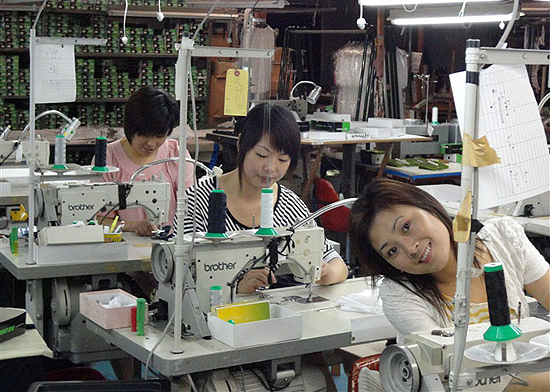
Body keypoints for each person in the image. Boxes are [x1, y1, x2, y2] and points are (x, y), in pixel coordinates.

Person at [349, 179, 549, 390]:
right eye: (392, 251)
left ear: (427, 205)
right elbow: (465, 379)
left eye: (406, 227)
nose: (411, 249)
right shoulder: (400, 296)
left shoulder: (503, 238)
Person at [175, 103, 348, 293]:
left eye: (282, 159)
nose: (270, 168)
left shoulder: (290, 205)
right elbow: (180, 274)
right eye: (262, 155)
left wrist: (329, 273)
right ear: (241, 144)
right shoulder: (198, 200)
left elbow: (335, 261)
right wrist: (235, 288)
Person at [92, 86, 194, 236]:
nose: (151, 144)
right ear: (130, 127)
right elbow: (98, 219)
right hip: (123, 244)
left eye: (159, 136)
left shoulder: (176, 156)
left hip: (171, 243)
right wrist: (132, 226)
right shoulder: (108, 160)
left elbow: (190, 209)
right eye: (145, 135)